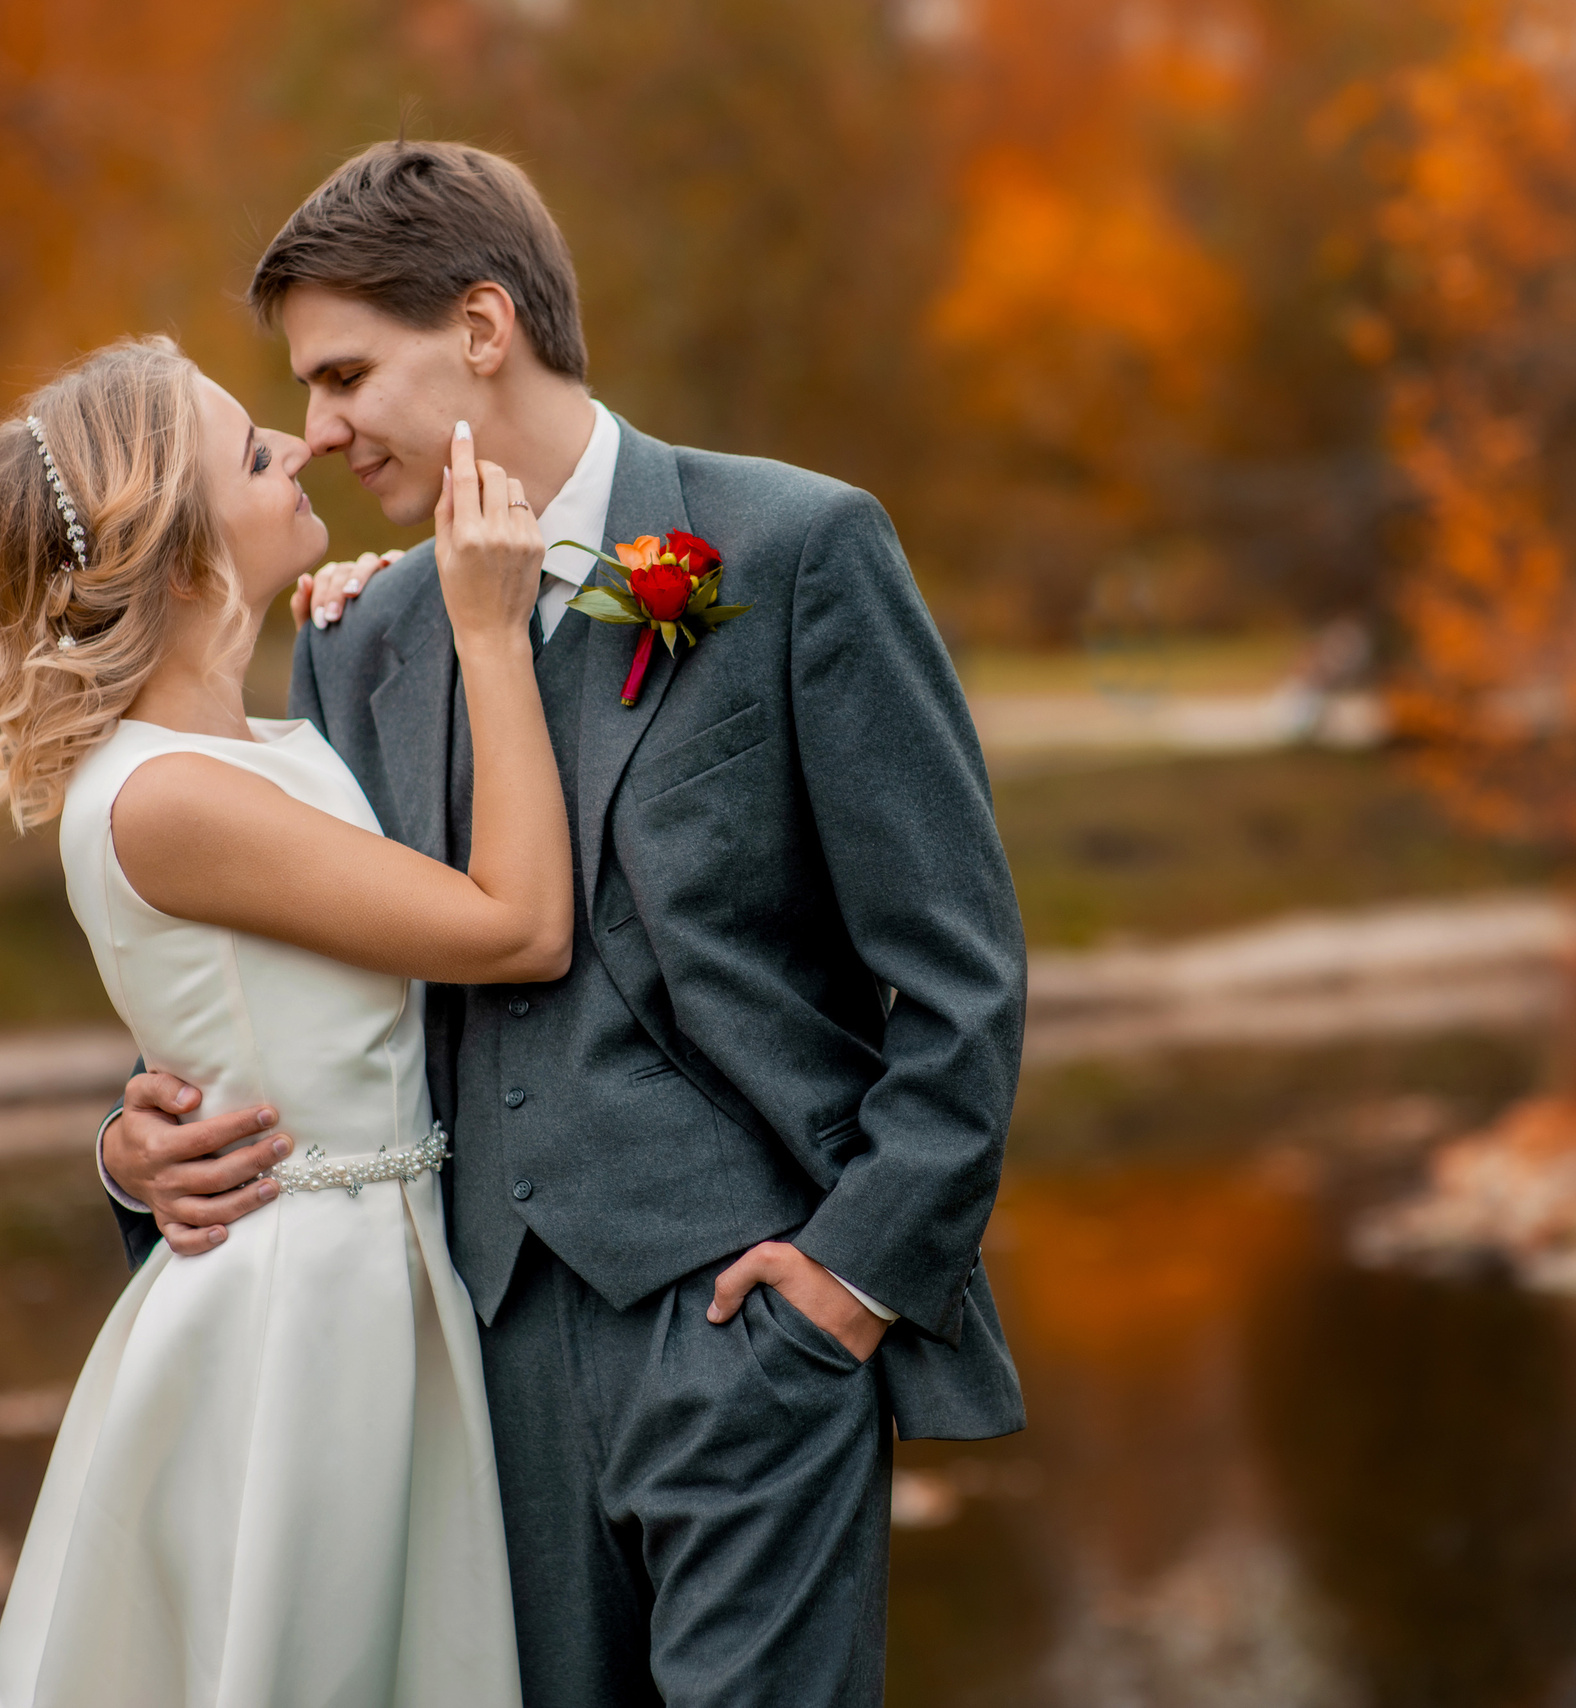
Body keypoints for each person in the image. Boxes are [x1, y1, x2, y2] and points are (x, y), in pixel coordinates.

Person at [96, 141, 1029, 1707]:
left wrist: (849, 1283)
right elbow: (292, 974)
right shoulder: (361, 642)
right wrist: (129, 1149)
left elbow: (961, 975)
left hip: (755, 1335)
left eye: (342, 376)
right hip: (472, 1365)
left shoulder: (795, 551)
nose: (317, 434)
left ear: (480, 325)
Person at [0, 334, 559, 1706]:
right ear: (187, 551)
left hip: (367, 1276)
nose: (306, 445)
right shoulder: (165, 799)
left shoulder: (253, 750)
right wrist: (492, 632)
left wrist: (378, 608)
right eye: (258, 453)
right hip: (297, 1318)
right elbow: (516, 927)